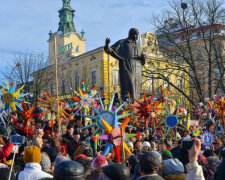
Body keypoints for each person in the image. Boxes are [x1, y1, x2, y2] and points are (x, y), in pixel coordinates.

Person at [104, 28, 145, 100]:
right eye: (135, 34)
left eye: (137, 35)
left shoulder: (138, 46)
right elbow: (111, 50)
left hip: (137, 69)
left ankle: (136, 105)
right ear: (131, 34)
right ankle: (129, 105)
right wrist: (107, 45)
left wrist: (143, 58)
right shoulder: (122, 42)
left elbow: (142, 60)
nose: (137, 36)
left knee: (136, 89)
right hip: (127, 66)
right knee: (129, 86)